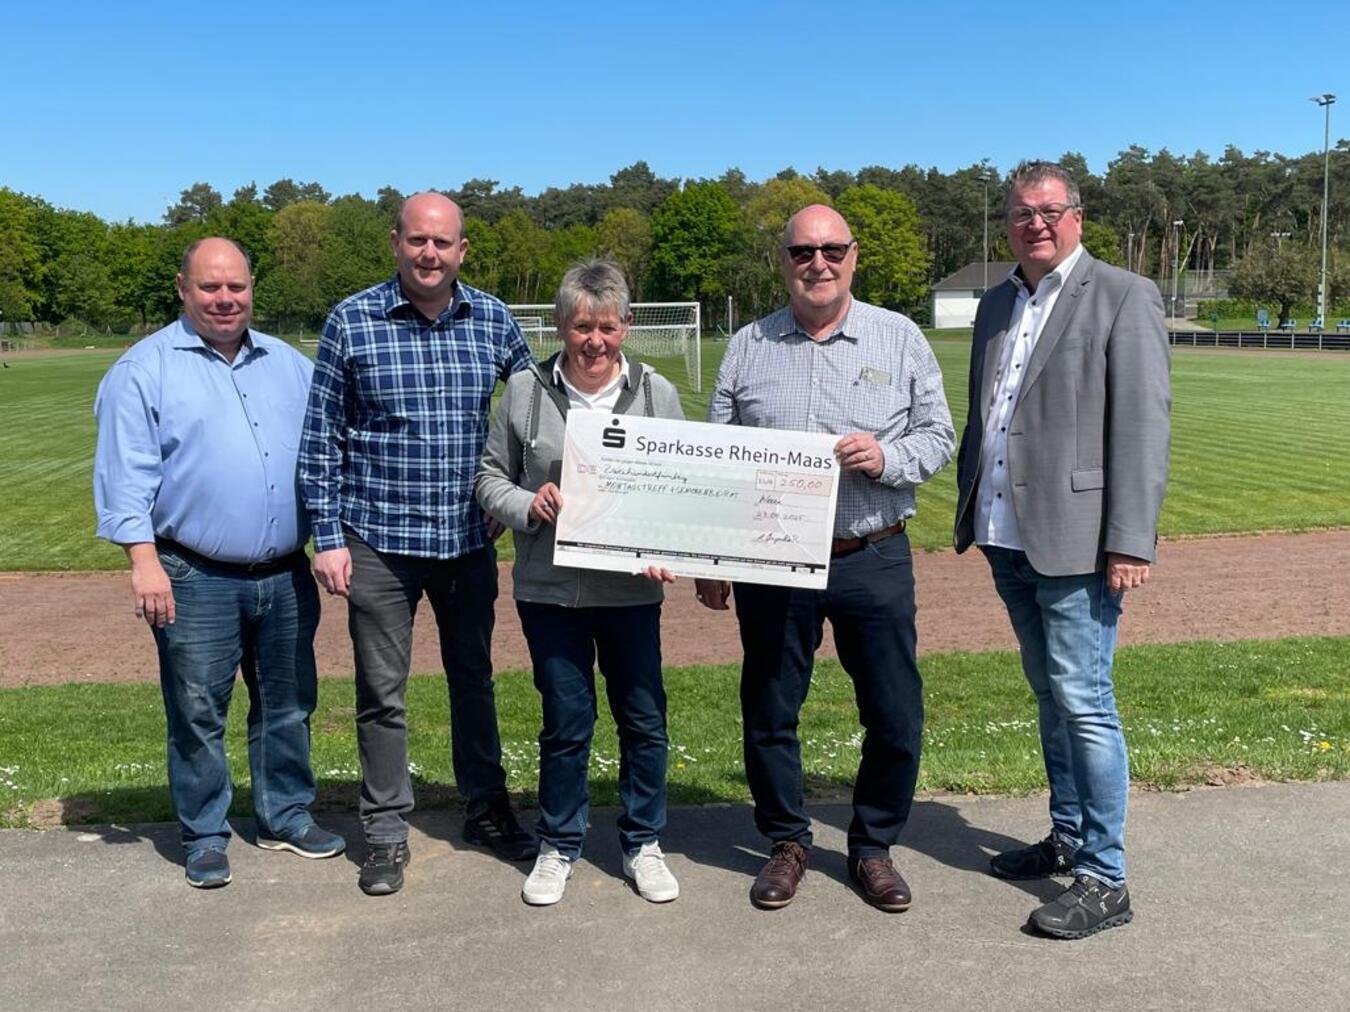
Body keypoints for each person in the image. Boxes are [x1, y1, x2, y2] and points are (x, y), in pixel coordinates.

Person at [695, 205, 955, 912]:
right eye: (803, 251)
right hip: (773, 562)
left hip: (871, 552)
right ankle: (786, 841)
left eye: (831, 249)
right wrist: (712, 558)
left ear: (853, 255)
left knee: (895, 713)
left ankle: (872, 847)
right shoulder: (749, 345)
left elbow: (939, 435)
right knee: (770, 709)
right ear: (783, 260)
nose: (818, 263)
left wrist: (888, 456)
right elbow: (719, 461)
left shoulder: (899, 338)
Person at [954, 161, 1171, 939]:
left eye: (1049, 210)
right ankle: (1069, 836)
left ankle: (1105, 878)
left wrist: (1130, 541)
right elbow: (990, 416)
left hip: (1083, 542)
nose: (1035, 222)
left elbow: (1143, 426)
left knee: (1084, 701)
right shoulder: (995, 304)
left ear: (1077, 217)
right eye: (1021, 212)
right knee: (1050, 695)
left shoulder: (1121, 295)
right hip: (1007, 533)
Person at [299, 192, 535, 896]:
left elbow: (537, 412)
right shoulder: (352, 319)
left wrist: (510, 495)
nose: (429, 253)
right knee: (382, 692)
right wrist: (328, 537)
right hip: (378, 539)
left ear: (462, 249)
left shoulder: (492, 318)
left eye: (443, 242)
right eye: (417, 241)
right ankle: (384, 833)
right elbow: (320, 441)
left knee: (474, 681)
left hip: (467, 539)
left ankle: (486, 809)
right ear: (396, 243)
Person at [93, 237, 344, 889]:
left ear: (251, 287)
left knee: (289, 702)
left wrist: (329, 538)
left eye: (235, 285)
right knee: (198, 710)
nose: (225, 298)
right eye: (210, 287)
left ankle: (285, 815)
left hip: (286, 572)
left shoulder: (289, 365)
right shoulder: (144, 370)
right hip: (192, 573)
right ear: (183, 288)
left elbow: (322, 458)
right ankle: (205, 833)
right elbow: (126, 475)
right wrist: (142, 561)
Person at [476, 259, 685, 906]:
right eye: (582, 326)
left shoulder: (657, 393)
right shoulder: (524, 390)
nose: (595, 340)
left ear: (626, 326)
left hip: (629, 592)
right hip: (552, 591)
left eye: (608, 327)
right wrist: (525, 506)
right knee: (566, 722)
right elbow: (489, 478)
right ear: (562, 325)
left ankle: (643, 841)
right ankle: (560, 843)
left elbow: (679, 490)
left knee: (643, 719)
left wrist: (663, 544)